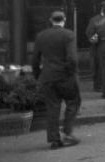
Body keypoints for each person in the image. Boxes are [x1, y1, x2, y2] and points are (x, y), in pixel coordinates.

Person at [31, 10, 81, 150]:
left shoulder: (41, 36)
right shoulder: (68, 35)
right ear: (64, 20)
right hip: (65, 76)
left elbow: (35, 60)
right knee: (73, 102)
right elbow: (72, 58)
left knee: (52, 108)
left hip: (47, 77)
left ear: (50, 20)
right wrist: (72, 73)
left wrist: (38, 76)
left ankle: (54, 140)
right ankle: (68, 133)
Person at [85, 1, 105, 92]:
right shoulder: (95, 19)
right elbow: (89, 33)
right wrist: (94, 38)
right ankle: (98, 86)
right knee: (98, 66)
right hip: (97, 46)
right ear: (103, 9)